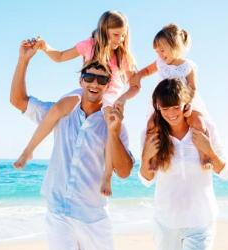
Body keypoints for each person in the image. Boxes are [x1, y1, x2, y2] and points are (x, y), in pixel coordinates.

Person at [10, 41, 133, 250]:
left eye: (102, 79)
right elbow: (18, 101)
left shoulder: (113, 121)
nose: (95, 83)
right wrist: (24, 60)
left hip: (93, 218)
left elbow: (124, 172)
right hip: (58, 213)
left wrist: (114, 132)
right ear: (80, 81)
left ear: (108, 86)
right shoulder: (61, 111)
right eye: (89, 77)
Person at [13, 10, 138, 197]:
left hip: (110, 96)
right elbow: (61, 56)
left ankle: (107, 176)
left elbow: (135, 86)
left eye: (123, 35)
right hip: (87, 92)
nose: (120, 39)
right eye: (116, 35)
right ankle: (28, 150)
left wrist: (122, 99)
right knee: (57, 108)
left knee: (109, 130)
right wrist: (45, 48)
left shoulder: (123, 56)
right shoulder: (89, 45)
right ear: (104, 31)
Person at [139, 78, 228, 250]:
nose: (171, 114)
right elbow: (146, 179)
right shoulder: (152, 135)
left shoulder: (205, 129)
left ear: (186, 104)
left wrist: (209, 150)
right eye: (165, 109)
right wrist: (146, 156)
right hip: (166, 223)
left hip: (201, 221)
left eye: (175, 107)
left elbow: (225, 172)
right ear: (157, 107)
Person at [127, 23, 211, 170]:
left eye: (162, 50)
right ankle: (153, 158)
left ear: (175, 46)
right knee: (152, 125)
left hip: (183, 103)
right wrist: (138, 75)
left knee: (199, 122)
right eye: (157, 51)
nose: (159, 54)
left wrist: (188, 105)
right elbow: (147, 70)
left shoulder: (187, 67)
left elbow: (193, 88)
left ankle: (204, 156)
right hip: (163, 104)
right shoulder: (160, 62)